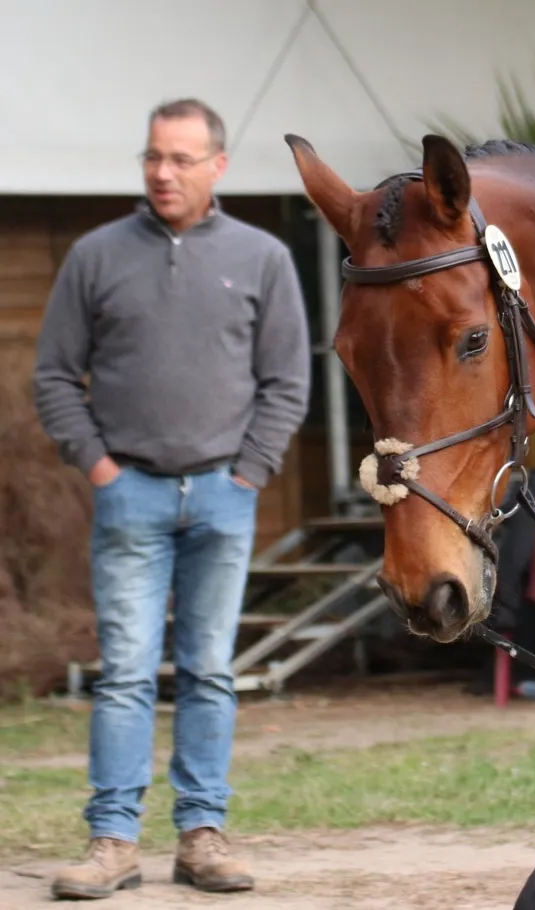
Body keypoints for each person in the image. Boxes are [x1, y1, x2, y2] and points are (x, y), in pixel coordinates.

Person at [32, 98, 311, 900]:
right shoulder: (95, 255)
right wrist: (99, 468)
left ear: (217, 167)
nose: (162, 172)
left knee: (209, 672)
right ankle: (112, 842)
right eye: (153, 156)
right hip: (131, 495)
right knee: (123, 674)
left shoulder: (261, 257)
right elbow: (54, 374)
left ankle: (201, 837)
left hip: (225, 494)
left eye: (181, 159)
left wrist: (252, 471)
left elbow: (287, 380)